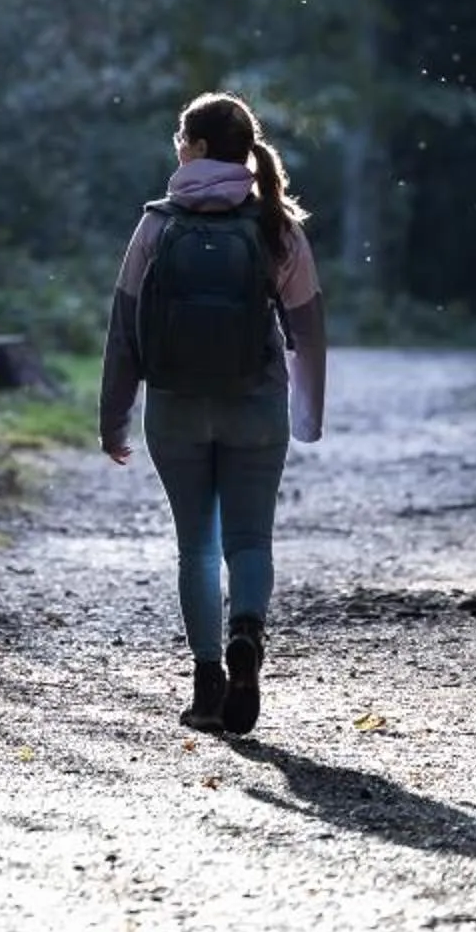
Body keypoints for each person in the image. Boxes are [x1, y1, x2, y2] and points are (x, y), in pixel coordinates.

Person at [99, 91, 326, 734]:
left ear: (195, 149)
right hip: (255, 406)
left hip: (174, 408)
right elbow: (307, 331)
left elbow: (125, 330)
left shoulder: (156, 224)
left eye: (181, 137)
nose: (177, 146)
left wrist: (114, 416)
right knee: (250, 539)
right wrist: (306, 414)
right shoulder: (277, 225)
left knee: (196, 546)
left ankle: (207, 686)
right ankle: (247, 635)